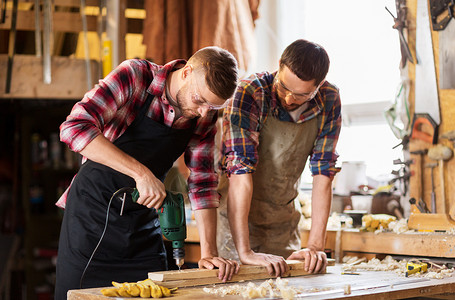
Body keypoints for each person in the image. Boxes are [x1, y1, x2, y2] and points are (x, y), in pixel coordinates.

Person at [55, 46, 240, 299]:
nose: (204, 112)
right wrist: (141, 174)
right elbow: (74, 128)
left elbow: (203, 183)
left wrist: (209, 252)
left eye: (213, 107)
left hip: (142, 219)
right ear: (186, 73)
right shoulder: (136, 77)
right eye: (200, 100)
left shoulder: (204, 115)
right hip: (92, 218)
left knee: (157, 294)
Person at [218, 39, 342, 277]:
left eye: (301, 94)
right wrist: (245, 252)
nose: (288, 99)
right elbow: (240, 172)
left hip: (282, 223)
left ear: (319, 86)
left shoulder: (329, 99)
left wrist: (315, 246)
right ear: (279, 65)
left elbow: (323, 173)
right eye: (284, 87)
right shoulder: (249, 92)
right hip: (236, 224)